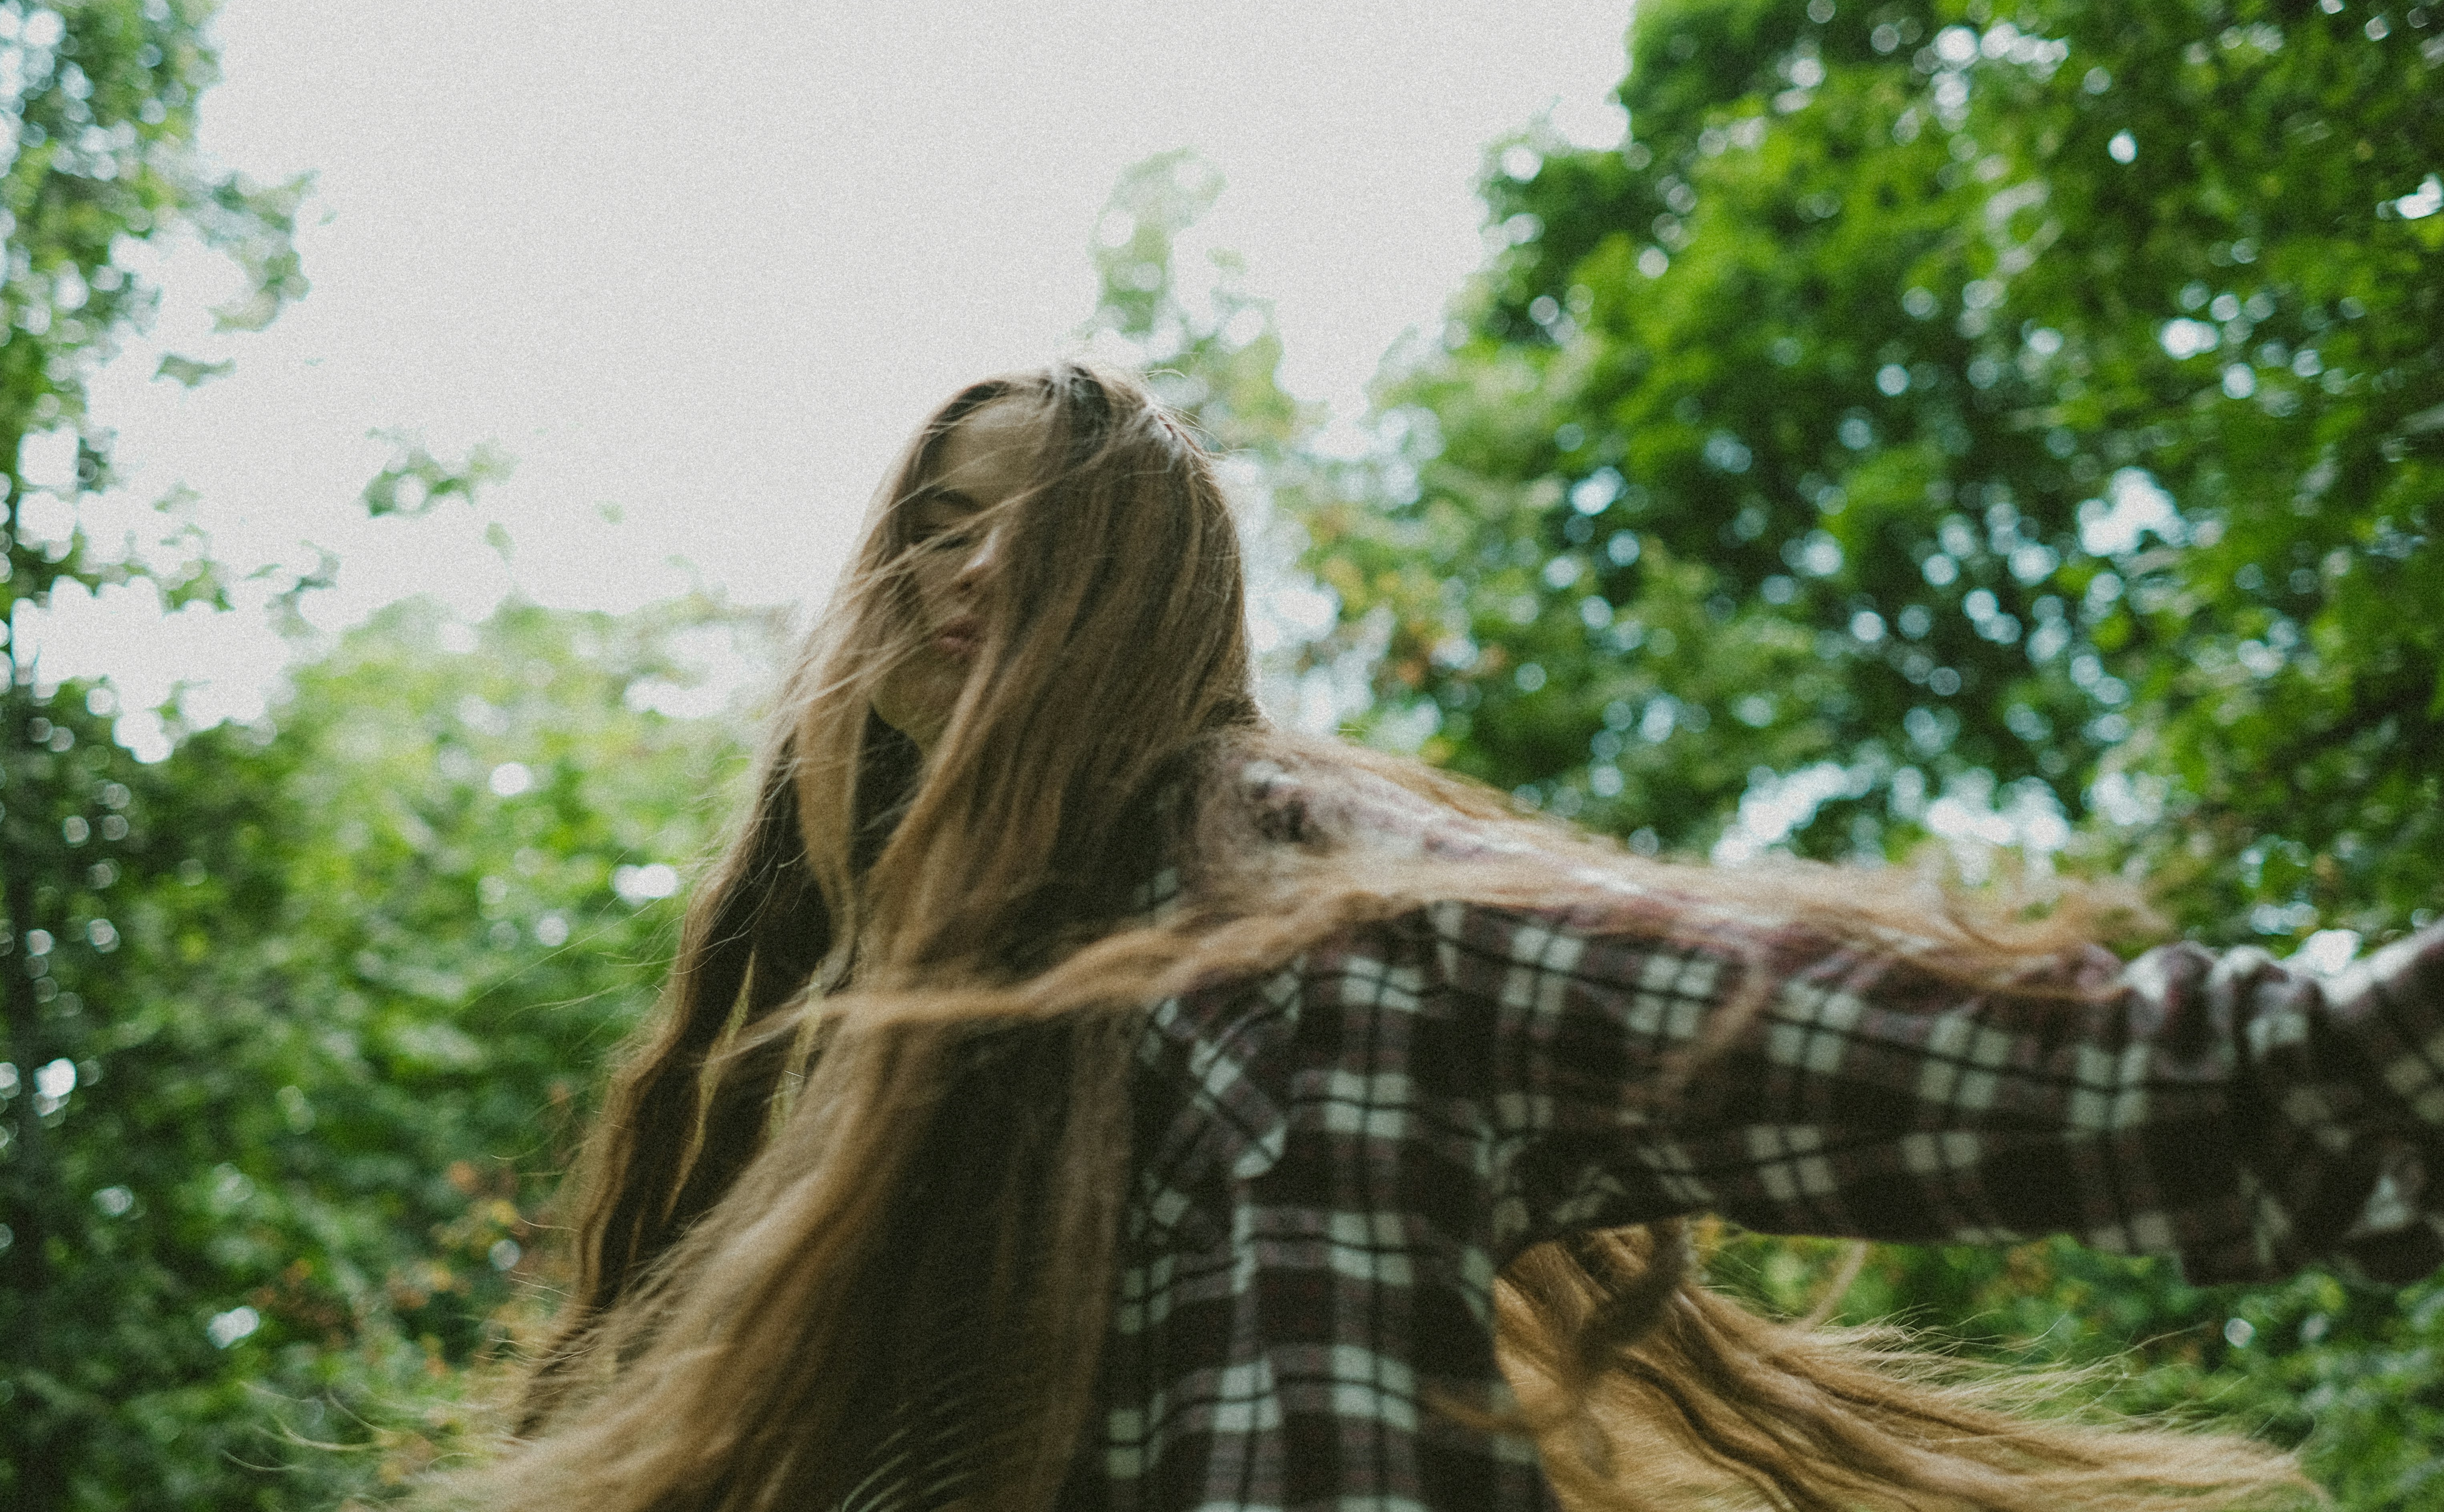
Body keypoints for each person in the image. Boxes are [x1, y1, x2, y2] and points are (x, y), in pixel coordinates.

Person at [445, 363, 2443, 1512]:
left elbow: (1948, 1055)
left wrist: (2345, 1061)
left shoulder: (1294, 904)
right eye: (937, 524)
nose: (971, 574)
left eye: (1045, 534)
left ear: (1147, 609)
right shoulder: (799, 1075)